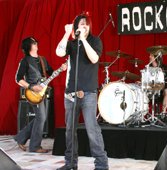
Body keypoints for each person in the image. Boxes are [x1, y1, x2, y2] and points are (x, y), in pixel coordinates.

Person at [55, 13, 109, 170]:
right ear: (75, 27)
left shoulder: (94, 41)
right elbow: (59, 52)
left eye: (85, 23)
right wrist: (67, 33)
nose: (83, 25)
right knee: (70, 131)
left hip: (88, 94)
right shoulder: (71, 44)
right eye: (80, 23)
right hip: (70, 93)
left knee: (92, 129)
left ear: (89, 26)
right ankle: (70, 163)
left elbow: (94, 59)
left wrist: (84, 39)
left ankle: (101, 164)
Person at [14, 37, 67, 153]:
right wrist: (32, 87)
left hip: (42, 92)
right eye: (33, 43)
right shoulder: (25, 61)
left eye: (36, 42)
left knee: (40, 117)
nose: (36, 44)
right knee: (41, 117)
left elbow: (51, 73)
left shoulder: (42, 60)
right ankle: (34, 146)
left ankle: (20, 138)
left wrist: (61, 69)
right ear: (28, 46)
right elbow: (18, 79)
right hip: (32, 92)